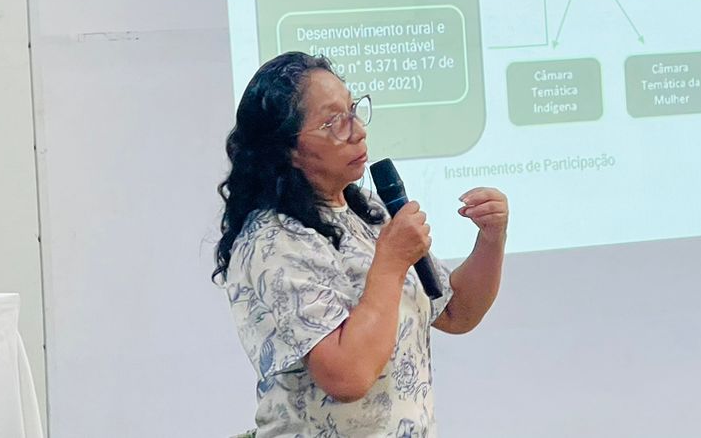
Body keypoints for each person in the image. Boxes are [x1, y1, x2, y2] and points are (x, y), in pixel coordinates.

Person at [212, 52, 508, 438]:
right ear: (288, 149)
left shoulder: (366, 211)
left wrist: (491, 238)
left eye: (353, 110)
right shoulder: (274, 240)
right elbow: (347, 376)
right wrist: (390, 263)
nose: (358, 130)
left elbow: (456, 313)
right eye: (333, 121)